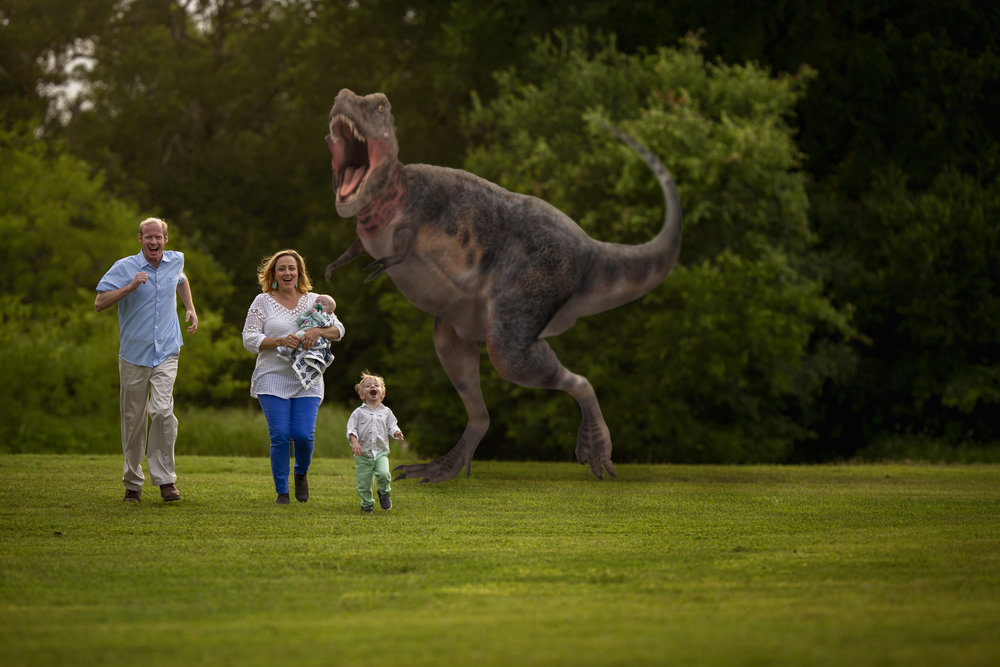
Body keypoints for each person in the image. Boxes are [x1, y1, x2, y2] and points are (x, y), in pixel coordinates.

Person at [95, 217, 198, 503]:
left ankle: (166, 481)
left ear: (166, 239)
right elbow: (99, 303)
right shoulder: (124, 267)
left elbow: (182, 279)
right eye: (148, 237)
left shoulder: (175, 261)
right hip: (133, 355)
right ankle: (132, 484)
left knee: (163, 411)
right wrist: (128, 287)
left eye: (159, 237)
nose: (154, 242)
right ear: (140, 239)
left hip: (167, 350)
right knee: (133, 420)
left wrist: (190, 308)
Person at [242, 250, 345, 505]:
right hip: (271, 376)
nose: (287, 273)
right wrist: (278, 340)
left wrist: (315, 330)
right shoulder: (262, 301)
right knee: (279, 434)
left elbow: (339, 329)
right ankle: (282, 492)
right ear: (274, 274)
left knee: (302, 435)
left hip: (307, 379)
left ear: (299, 272)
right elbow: (249, 337)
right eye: (282, 269)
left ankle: (301, 474)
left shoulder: (314, 301)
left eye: (292, 268)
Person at [346, 371, 405, 513]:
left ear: (382, 394)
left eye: (376, 385)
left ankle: (384, 493)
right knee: (363, 483)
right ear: (362, 395)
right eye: (368, 386)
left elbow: (392, 425)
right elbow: (351, 429)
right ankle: (366, 503)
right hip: (363, 455)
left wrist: (396, 432)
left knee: (384, 474)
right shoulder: (358, 413)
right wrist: (354, 442)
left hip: (380, 452)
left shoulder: (386, 412)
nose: (373, 387)